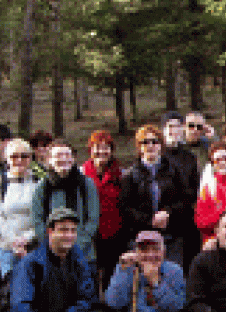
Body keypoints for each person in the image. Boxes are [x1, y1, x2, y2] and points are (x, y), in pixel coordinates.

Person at [120, 125, 193, 269]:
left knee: (172, 278)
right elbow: (125, 208)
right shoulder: (130, 175)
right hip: (142, 238)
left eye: (154, 141)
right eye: (145, 142)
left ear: (161, 145)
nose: (150, 145)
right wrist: (150, 220)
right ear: (139, 146)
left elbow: (186, 199)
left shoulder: (174, 170)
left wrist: (168, 213)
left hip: (172, 237)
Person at [31, 140, 100, 266]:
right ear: (49, 160)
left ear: (73, 158)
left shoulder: (86, 184)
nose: (63, 159)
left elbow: (93, 219)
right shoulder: (42, 187)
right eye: (58, 155)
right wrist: (53, 247)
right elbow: (37, 220)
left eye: (67, 155)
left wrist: (75, 247)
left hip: (84, 255)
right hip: (51, 256)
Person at [81, 130, 124, 290]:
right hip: (89, 233)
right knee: (89, 274)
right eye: (97, 147)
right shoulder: (82, 173)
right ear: (90, 150)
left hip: (114, 234)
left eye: (106, 147)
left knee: (111, 276)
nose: (101, 151)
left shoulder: (120, 174)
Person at [161, 111, 202, 269]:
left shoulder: (189, 158)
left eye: (178, 127)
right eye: (170, 126)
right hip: (161, 222)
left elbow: (193, 191)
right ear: (163, 129)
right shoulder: (156, 154)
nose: (174, 131)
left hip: (185, 222)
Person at [0, 139, 40, 278]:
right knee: (9, 291)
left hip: (34, 246)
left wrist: (26, 240)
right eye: (14, 156)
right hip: (7, 248)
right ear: (6, 159)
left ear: (31, 158)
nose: (19, 160)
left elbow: (43, 215)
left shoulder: (39, 183)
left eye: (24, 156)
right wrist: (14, 242)